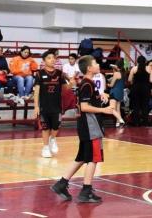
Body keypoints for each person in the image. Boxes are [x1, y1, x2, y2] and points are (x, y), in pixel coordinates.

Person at [51, 55, 117, 203]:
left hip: (85, 126)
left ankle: (61, 184)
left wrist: (101, 96)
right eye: (95, 63)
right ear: (89, 68)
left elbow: (87, 100)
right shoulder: (87, 84)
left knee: (81, 157)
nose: (98, 64)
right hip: (90, 126)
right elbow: (84, 107)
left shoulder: (87, 84)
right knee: (94, 158)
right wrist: (105, 110)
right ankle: (86, 191)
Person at [33, 50, 68, 158]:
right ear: (44, 61)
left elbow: (65, 89)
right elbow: (37, 91)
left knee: (56, 126)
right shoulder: (39, 73)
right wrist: (36, 106)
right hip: (44, 105)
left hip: (57, 105)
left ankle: (52, 139)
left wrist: (70, 83)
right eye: (49, 58)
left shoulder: (59, 73)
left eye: (53, 58)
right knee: (45, 128)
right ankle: (45, 148)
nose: (52, 60)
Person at [128, 56, 152, 126]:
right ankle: (145, 122)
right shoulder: (149, 68)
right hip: (146, 89)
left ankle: (136, 122)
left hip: (136, 89)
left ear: (137, 61)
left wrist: (134, 81)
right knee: (145, 106)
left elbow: (129, 80)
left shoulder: (134, 68)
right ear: (145, 62)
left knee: (136, 106)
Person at [108, 58, 126, 128]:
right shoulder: (123, 73)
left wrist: (108, 85)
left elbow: (112, 85)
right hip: (120, 93)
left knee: (112, 108)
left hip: (114, 92)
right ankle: (117, 123)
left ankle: (121, 120)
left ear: (117, 66)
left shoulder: (116, 73)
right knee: (118, 109)